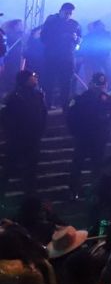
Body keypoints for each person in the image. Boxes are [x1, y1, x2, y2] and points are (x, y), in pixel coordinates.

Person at [66, 71, 111, 200]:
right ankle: (93, 192)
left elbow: (70, 117)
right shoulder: (105, 99)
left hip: (84, 138)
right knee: (95, 166)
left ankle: (75, 191)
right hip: (95, 139)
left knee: (79, 165)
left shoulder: (80, 99)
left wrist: (75, 133)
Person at [0, 69, 47, 204]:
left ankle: (30, 199)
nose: (35, 78)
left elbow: (43, 114)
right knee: (8, 170)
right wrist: (13, 134)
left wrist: (40, 131)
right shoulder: (13, 97)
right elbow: (6, 118)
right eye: (33, 77)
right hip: (17, 140)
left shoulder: (38, 95)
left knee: (31, 170)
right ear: (25, 79)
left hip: (33, 139)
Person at [40, 2, 81, 110]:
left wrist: (76, 39)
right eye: (66, 13)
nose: (68, 15)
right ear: (60, 11)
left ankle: (65, 104)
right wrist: (60, 37)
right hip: (52, 56)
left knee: (67, 81)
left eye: (70, 13)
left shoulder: (74, 24)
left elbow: (80, 40)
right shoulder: (51, 22)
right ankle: (48, 103)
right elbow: (43, 38)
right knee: (50, 81)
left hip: (67, 57)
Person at [78, 20, 111, 93]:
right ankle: (100, 90)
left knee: (109, 73)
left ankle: (110, 89)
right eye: (101, 25)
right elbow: (84, 47)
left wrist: (107, 51)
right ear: (96, 26)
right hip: (95, 58)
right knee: (98, 74)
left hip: (105, 57)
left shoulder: (107, 34)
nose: (103, 26)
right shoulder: (89, 36)